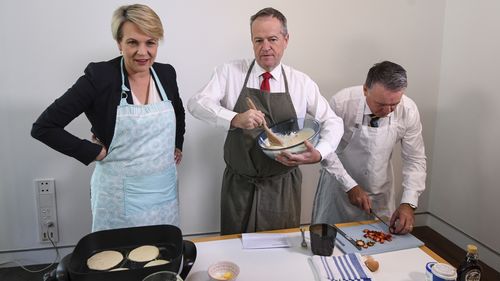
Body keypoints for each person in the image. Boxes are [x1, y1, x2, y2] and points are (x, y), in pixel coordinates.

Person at [188, 7, 343, 235]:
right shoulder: (229, 72)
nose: (265, 47)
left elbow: (333, 121)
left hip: (282, 187)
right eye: (258, 40)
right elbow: (196, 103)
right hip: (238, 187)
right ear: (252, 41)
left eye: (272, 39)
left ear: (286, 39)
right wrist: (234, 118)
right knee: (236, 251)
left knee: (278, 253)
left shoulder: (301, 82)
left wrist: (319, 152)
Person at [31, 4, 186, 232]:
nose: (143, 52)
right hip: (117, 199)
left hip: (163, 193)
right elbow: (44, 127)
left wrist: (177, 144)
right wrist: (93, 151)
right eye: (133, 42)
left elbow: (178, 112)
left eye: (150, 42)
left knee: (163, 255)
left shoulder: (165, 74)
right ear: (119, 43)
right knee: (117, 260)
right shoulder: (100, 77)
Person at [311, 61, 426, 234]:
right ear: (366, 89)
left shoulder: (408, 110)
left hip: (380, 191)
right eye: (381, 104)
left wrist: (408, 203)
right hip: (338, 189)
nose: (388, 110)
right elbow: (325, 149)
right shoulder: (343, 103)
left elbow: (415, 159)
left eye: (394, 104)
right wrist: (349, 185)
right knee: (330, 245)